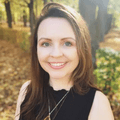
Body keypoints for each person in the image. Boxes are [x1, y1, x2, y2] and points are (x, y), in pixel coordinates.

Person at [15, 2, 114, 120]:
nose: (56, 54)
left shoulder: (97, 104)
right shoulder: (26, 91)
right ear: (36, 49)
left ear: (82, 48)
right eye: (46, 43)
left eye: (67, 43)